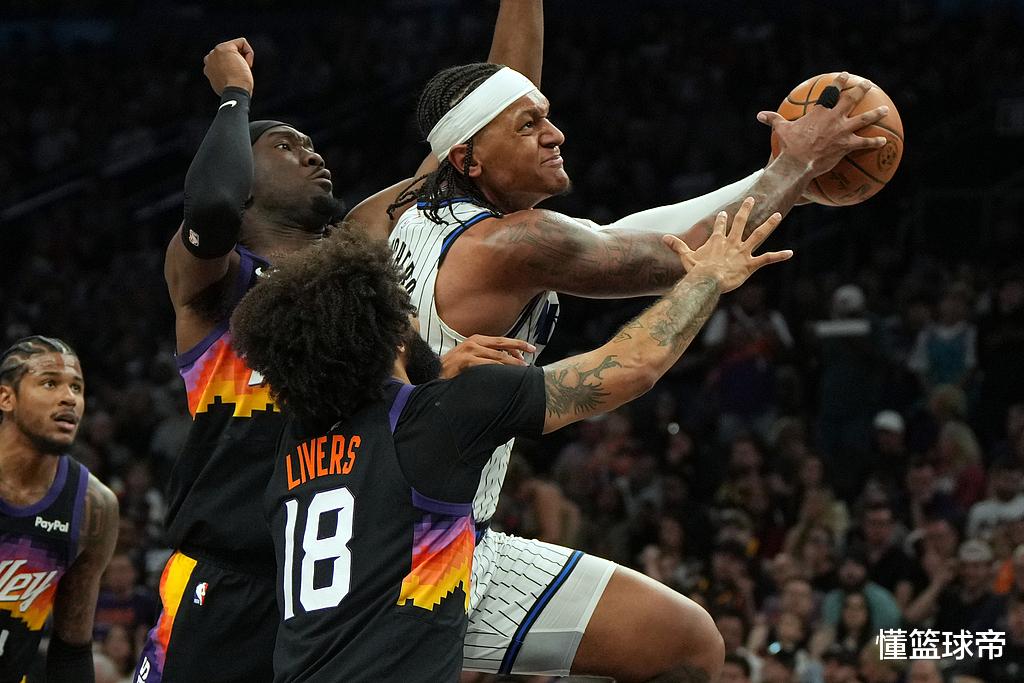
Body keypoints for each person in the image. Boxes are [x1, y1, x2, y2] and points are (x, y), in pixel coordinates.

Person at [359, 54, 889, 679]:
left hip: (392, 524)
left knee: (669, 644)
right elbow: (681, 259)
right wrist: (797, 165)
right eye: (528, 125)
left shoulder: (393, 215)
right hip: (421, 552)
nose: (555, 134)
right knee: (687, 646)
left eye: (546, 117)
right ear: (468, 158)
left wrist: (778, 175)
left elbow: (624, 233)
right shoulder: (508, 244)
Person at [137, 5, 546, 681]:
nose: (312, 153)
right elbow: (209, 207)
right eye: (286, 147)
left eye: (311, 144)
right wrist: (234, 96)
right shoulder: (216, 280)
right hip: (227, 579)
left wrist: (435, 373)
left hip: (340, 585)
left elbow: (481, 127)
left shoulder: (356, 262)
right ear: (242, 176)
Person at [230, 201, 793, 681]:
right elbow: (632, 367)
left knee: (681, 637)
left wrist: (434, 375)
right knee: (692, 647)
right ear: (390, 330)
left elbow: (380, 450)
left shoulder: (293, 450)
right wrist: (707, 278)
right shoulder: (447, 415)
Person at [0, 336, 119, 682]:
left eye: (76, 387)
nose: (69, 398)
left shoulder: (93, 506)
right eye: (50, 383)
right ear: (6, 398)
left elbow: (71, 650)